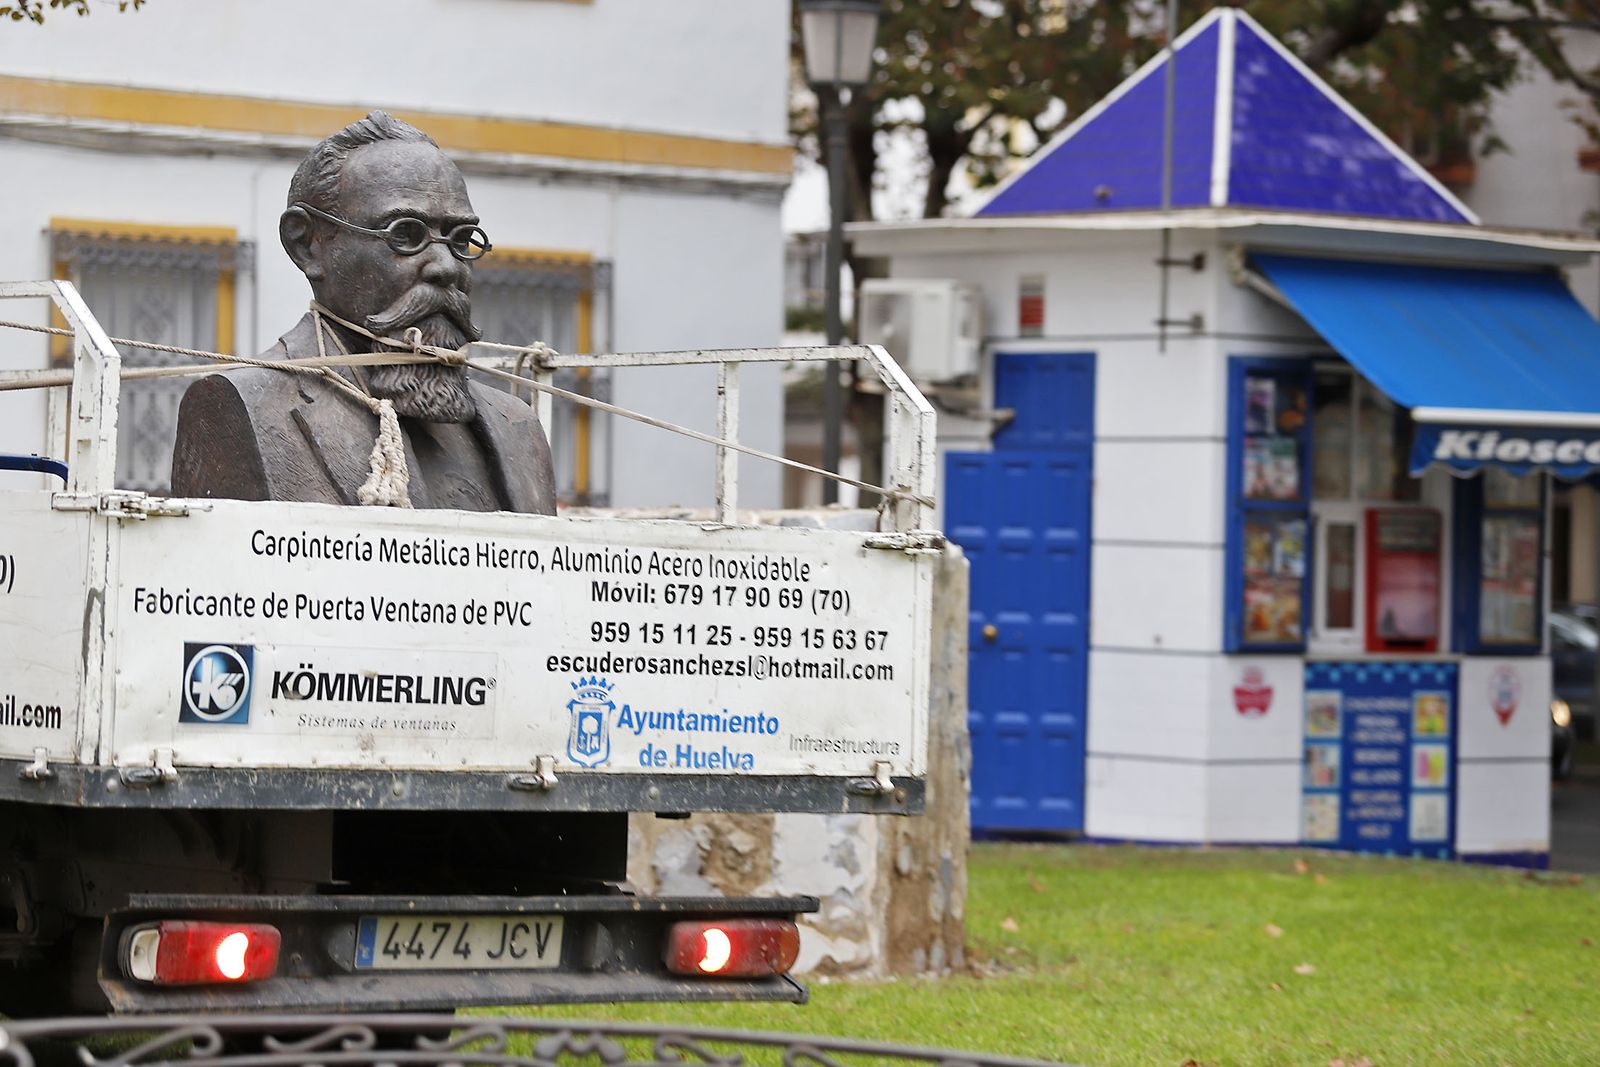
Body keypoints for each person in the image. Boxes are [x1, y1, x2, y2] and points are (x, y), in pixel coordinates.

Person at [171, 111, 556, 513]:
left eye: (461, 239)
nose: (446, 266)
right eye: (406, 234)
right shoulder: (238, 407)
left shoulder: (518, 426)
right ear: (308, 245)